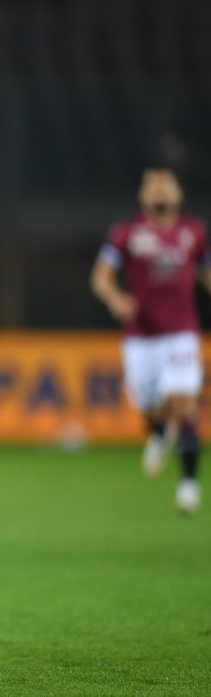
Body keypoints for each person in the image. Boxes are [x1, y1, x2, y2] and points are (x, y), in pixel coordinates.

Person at [91, 166, 208, 514]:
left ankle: (189, 484)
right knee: (149, 407)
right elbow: (100, 276)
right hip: (141, 338)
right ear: (142, 196)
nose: (159, 192)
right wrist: (115, 299)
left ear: (178, 195)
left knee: (185, 404)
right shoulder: (126, 234)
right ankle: (159, 432)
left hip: (181, 333)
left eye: (166, 187)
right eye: (153, 187)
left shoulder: (195, 233)